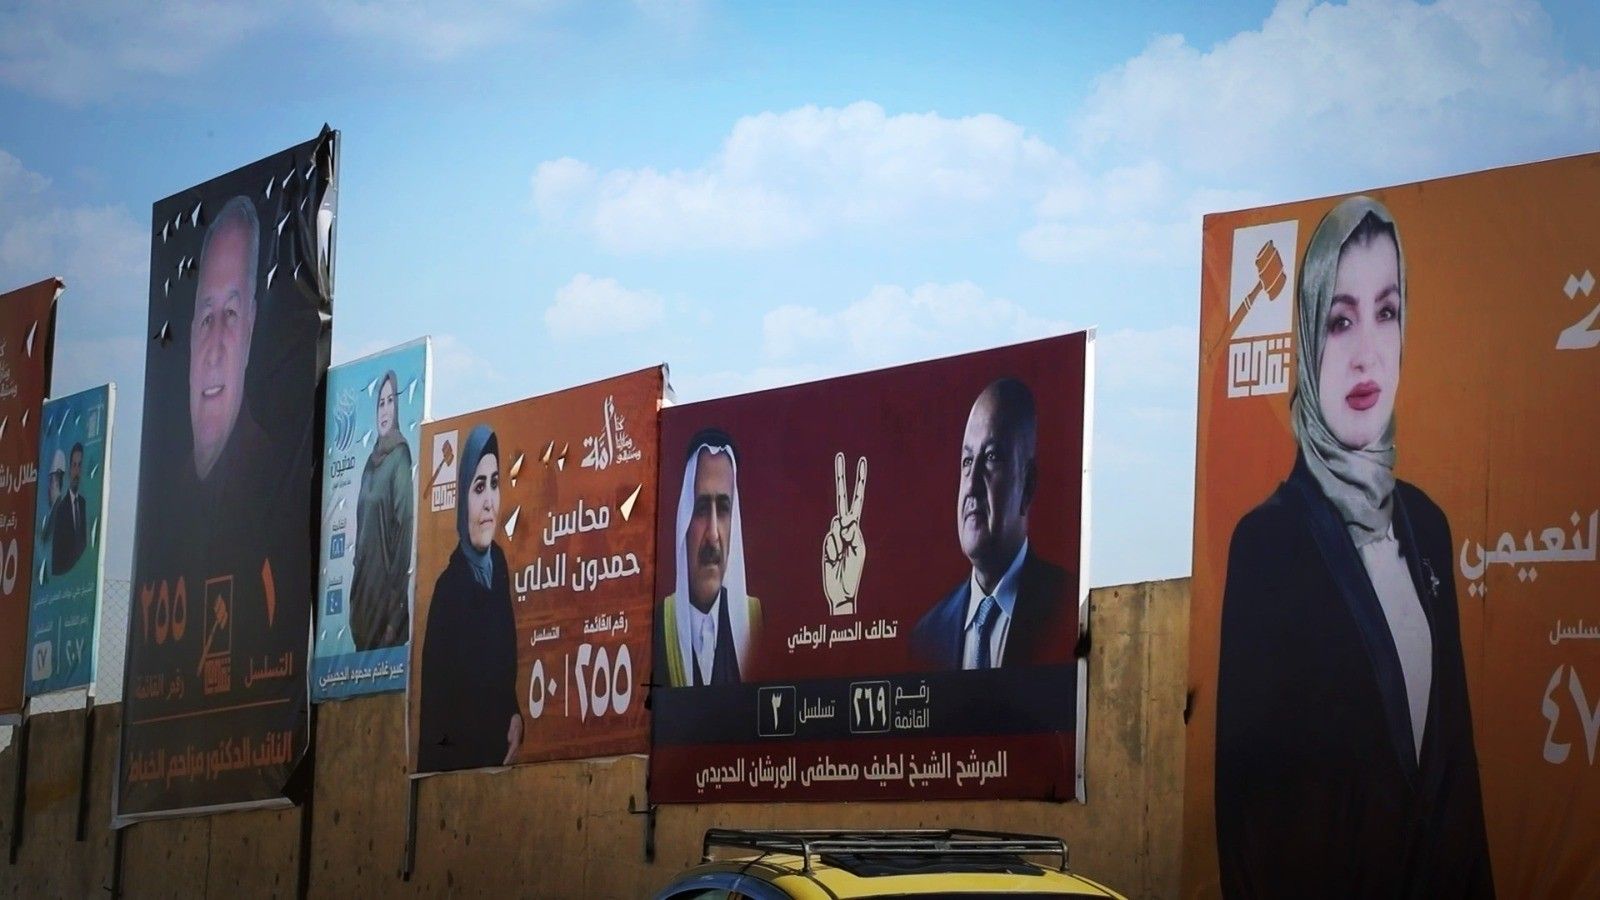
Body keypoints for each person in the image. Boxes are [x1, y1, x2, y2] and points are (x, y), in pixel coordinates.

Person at [1214, 196, 1493, 898]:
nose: (1368, 352)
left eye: (1387, 312)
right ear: (1308, 339)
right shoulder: (1268, 545)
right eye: (1340, 320)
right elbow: (1245, 810)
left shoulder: (1428, 529)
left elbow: (1456, 782)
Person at [910, 378, 1070, 669]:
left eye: (992, 457)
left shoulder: (1067, 609)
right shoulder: (928, 636)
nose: (971, 485)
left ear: (1028, 485)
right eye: (967, 461)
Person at [417, 424, 521, 770]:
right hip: (460, 773)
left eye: (495, 483)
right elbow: (437, 712)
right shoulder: (450, 590)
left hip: (500, 769)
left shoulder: (499, 566)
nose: (489, 501)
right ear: (462, 498)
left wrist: (515, 714)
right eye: (478, 487)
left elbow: (502, 669)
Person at [655, 428, 761, 687]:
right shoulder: (656, 626)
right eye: (701, 509)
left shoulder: (757, 622)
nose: (713, 535)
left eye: (723, 509)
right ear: (684, 519)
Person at [349, 370, 414, 650]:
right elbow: (361, 528)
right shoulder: (369, 462)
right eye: (380, 403)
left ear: (397, 408)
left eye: (390, 401)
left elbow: (404, 529)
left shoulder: (400, 457)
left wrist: (394, 612)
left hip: (386, 604)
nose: (385, 410)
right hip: (364, 599)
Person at [46, 442, 88, 575]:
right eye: (74, 465)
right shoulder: (60, 509)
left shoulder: (82, 504)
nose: (77, 471)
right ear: (69, 469)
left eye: (79, 465)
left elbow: (83, 544)